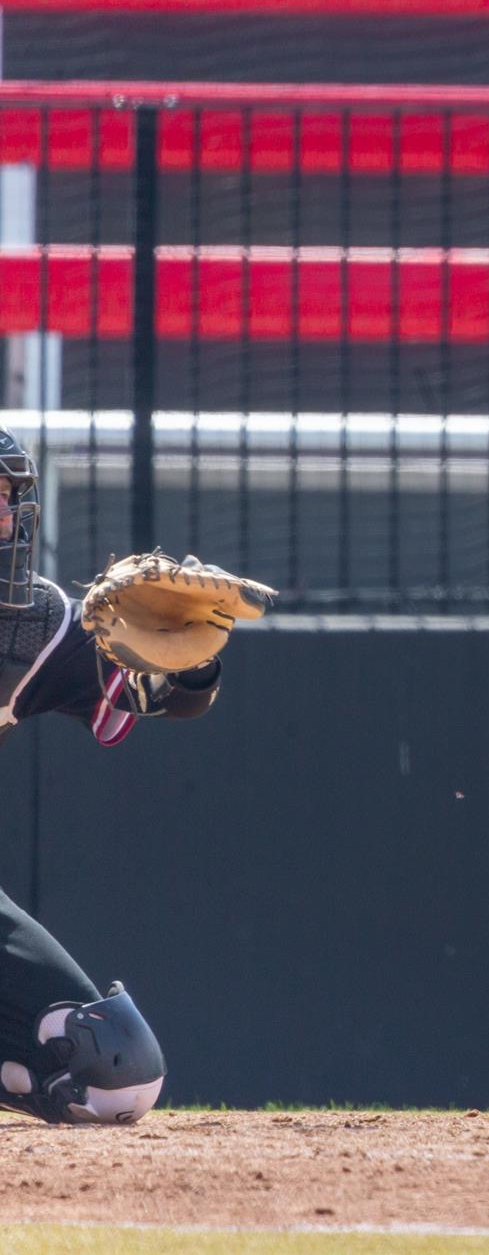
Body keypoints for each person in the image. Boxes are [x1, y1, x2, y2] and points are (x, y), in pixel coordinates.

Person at [0, 427, 221, 1124]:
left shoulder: (28, 627)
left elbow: (160, 695)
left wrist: (185, 658)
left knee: (112, 1069)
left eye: (2, 496)